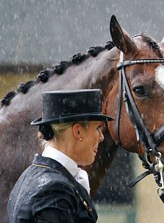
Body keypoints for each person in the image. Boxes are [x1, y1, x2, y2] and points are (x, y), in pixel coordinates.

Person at [7, 89, 114, 222]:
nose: (101, 137)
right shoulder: (55, 189)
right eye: (97, 128)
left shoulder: (30, 175)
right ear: (78, 131)